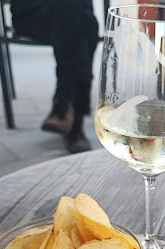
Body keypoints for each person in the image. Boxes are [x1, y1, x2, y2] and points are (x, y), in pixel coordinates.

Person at [10, 0, 99, 153]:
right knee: (84, 24)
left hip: (72, 13)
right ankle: (75, 122)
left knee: (76, 18)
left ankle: (62, 108)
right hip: (33, 13)